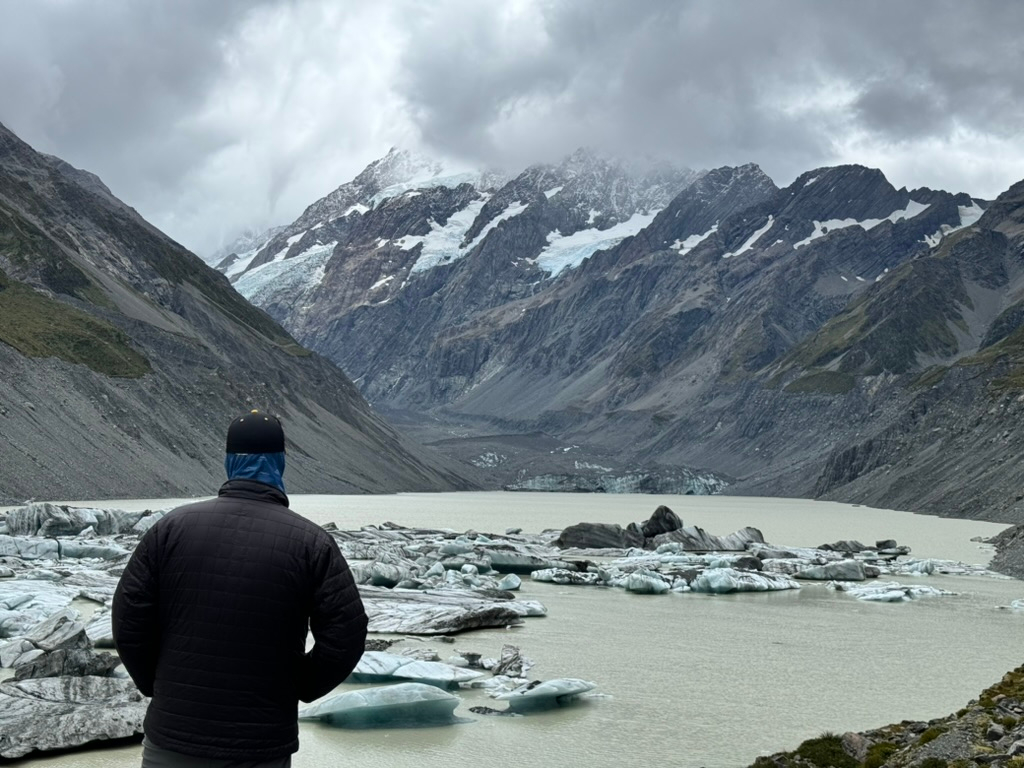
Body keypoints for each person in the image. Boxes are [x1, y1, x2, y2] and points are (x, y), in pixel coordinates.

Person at [113, 410, 368, 767]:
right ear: (280, 463)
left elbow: (128, 622)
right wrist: (299, 686)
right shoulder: (313, 543)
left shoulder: (170, 529)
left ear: (229, 461)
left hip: (173, 736)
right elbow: (347, 635)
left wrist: (159, 685)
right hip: (260, 743)